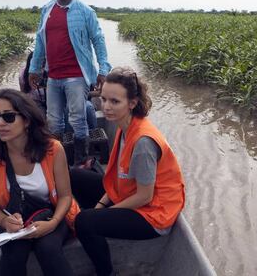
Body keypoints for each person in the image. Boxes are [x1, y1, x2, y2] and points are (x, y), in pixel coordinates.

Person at [71, 67, 185, 276]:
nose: (106, 107)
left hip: (153, 213)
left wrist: (102, 213)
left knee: (83, 222)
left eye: (115, 102)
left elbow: (145, 196)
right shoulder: (125, 128)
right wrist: (100, 206)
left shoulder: (142, 143)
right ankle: (97, 225)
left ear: (132, 103)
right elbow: (116, 177)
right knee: (74, 175)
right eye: (103, 99)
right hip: (131, 193)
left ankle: (105, 272)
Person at [0, 88, 80, 275]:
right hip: (12, 220)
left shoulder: (52, 149)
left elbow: (65, 196)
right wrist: (4, 220)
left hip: (52, 214)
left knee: (48, 249)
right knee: (14, 255)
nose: (0, 123)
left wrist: (53, 223)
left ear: (26, 120)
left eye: (8, 117)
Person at [28, 0, 112, 167]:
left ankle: (80, 161)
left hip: (77, 75)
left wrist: (103, 70)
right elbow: (40, 42)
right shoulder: (47, 10)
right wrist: (34, 68)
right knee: (53, 120)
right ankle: (57, 162)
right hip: (54, 76)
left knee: (77, 118)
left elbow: (98, 40)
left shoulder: (85, 11)